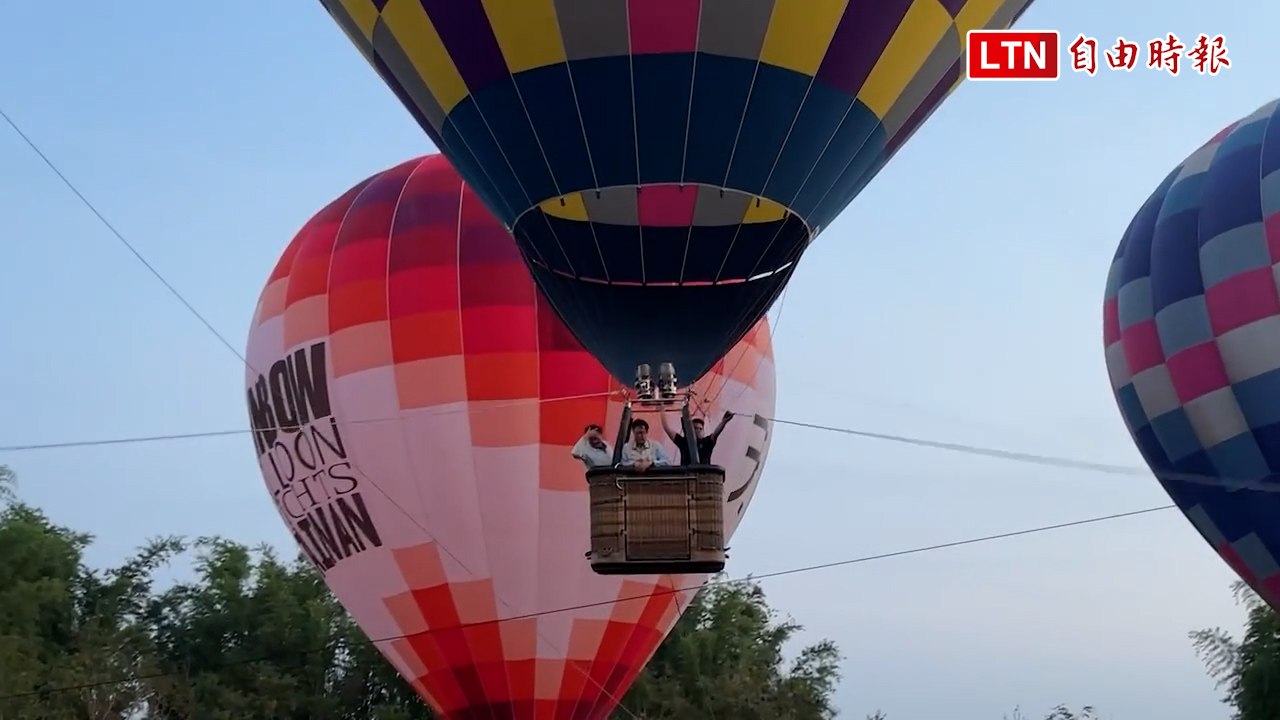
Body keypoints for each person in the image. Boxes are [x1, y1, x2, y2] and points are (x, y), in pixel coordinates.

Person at [661, 408, 732, 465]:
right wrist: (662, 409)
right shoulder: (684, 443)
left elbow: (716, 433)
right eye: (695, 428)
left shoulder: (707, 443)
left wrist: (723, 422)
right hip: (687, 478)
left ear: (703, 431)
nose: (698, 431)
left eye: (700, 429)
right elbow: (667, 428)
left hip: (703, 479)